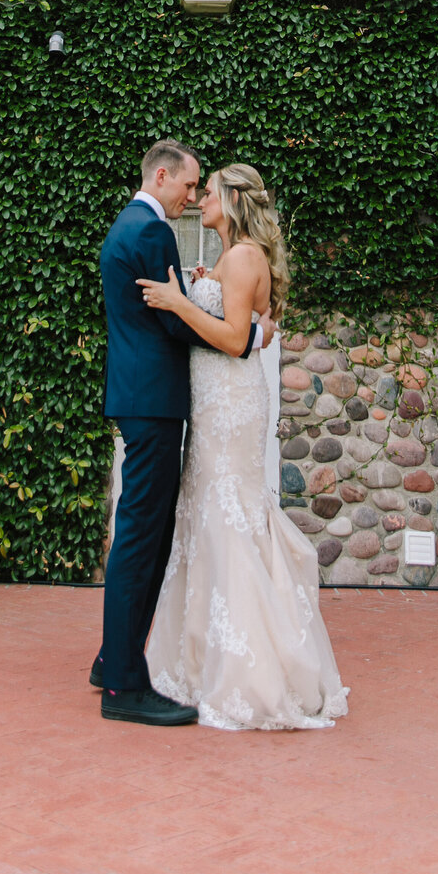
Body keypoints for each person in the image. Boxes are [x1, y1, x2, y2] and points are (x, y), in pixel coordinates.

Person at [138, 163, 348, 731]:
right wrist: (202, 293)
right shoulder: (239, 257)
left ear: (231, 200)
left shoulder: (242, 256)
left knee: (227, 518)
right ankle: (205, 656)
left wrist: (180, 302)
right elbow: (256, 328)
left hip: (228, 405)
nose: (199, 199)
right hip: (220, 403)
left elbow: (235, 340)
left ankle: (246, 670)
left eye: (207, 193)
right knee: (211, 516)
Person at [94, 139, 270, 726]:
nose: (193, 197)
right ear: (163, 176)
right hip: (152, 402)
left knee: (142, 532)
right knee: (143, 537)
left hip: (144, 398)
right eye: (190, 186)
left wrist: (199, 300)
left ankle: (111, 659)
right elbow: (170, 325)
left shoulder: (131, 225)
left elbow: (165, 314)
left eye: (202, 190)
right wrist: (241, 336)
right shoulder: (151, 232)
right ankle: (122, 683)